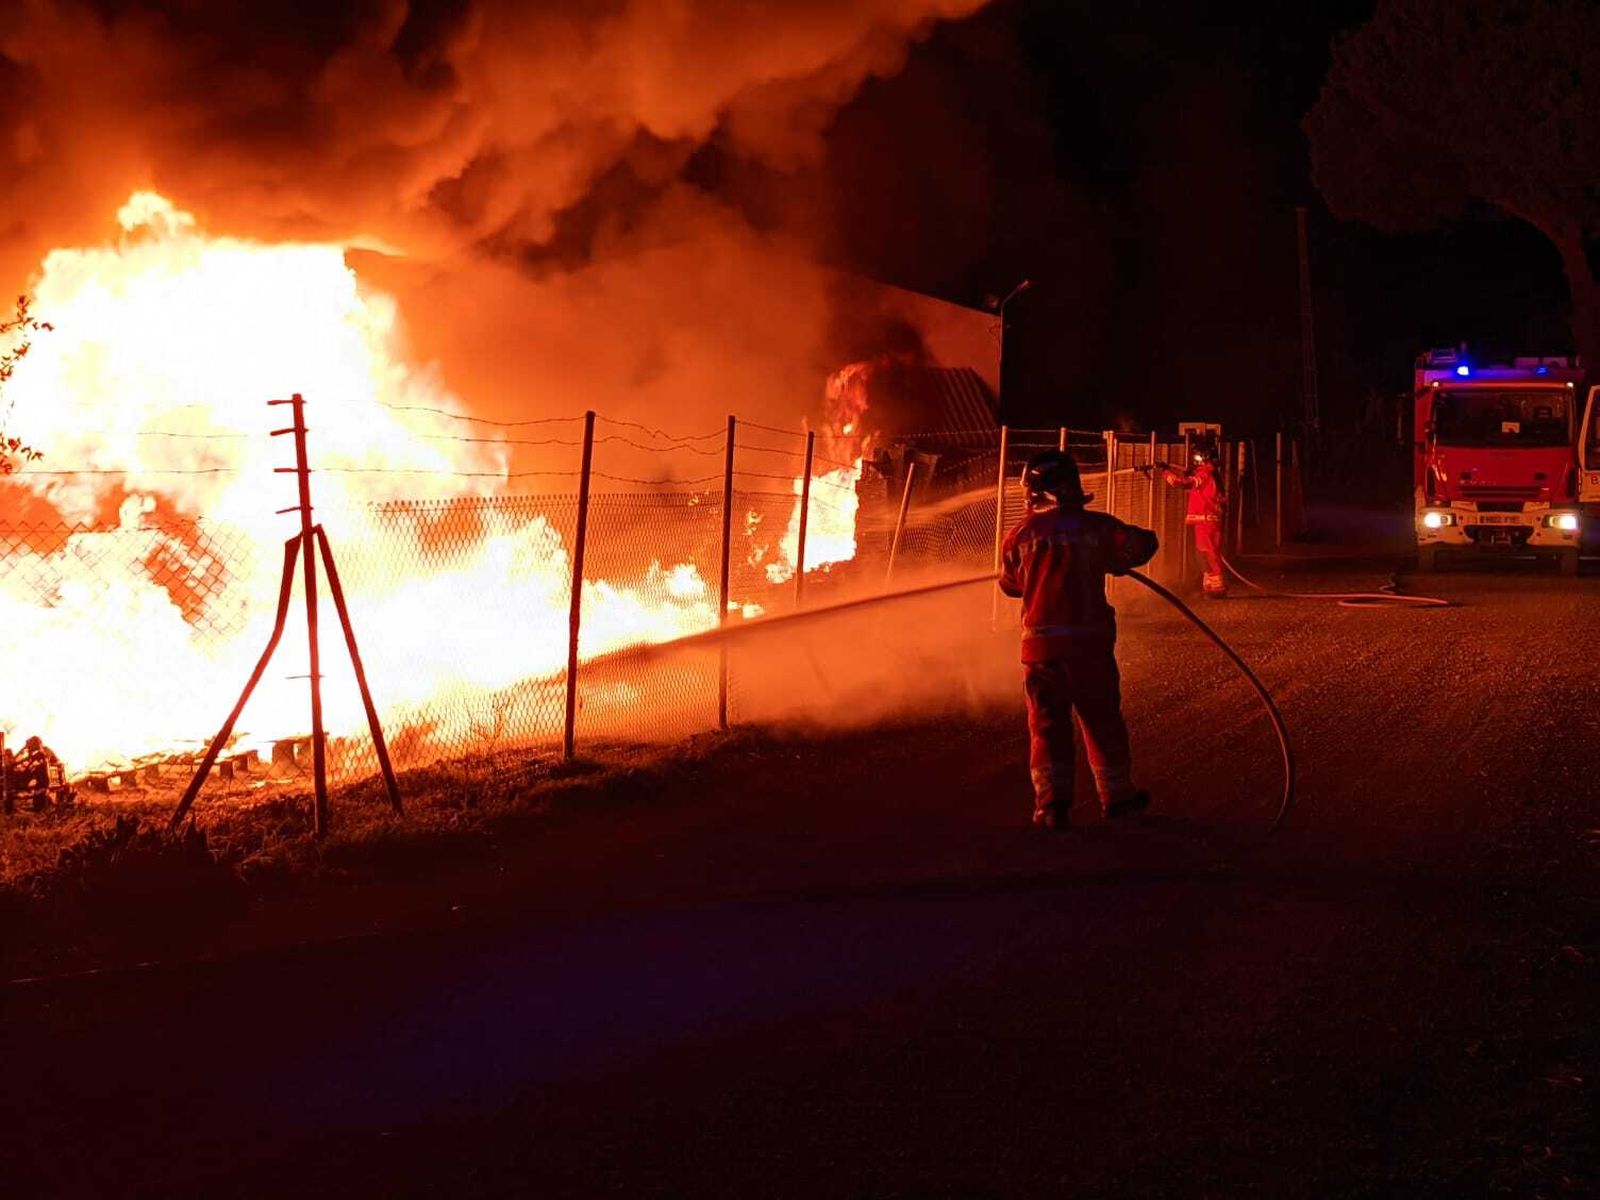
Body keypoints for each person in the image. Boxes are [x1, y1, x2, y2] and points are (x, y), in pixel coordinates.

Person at [998, 450, 1158, 829]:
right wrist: (1112, 560)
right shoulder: (1096, 527)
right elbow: (1142, 545)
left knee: (1047, 728)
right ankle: (1117, 798)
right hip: (1089, 649)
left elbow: (1009, 585)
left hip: (1040, 653)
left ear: (1036, 492)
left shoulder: (1019, 535)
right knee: (1102, 720)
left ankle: (1051, 807)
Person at [1162, 441, 1227, 598]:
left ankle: (1217, 589)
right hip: (1207, 522)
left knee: (1208, 554)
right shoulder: (1211, 474)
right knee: (1205, 554)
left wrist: (1165, 472)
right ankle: (1211, 587)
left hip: (1206, 522)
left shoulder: (1204, 474)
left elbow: (1182, 484)